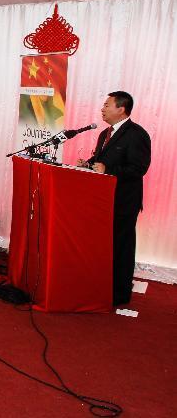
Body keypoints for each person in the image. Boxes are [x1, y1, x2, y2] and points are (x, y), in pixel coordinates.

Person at [79, 91, 151, 306]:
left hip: (124, 201)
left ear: (121, 109)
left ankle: (119, 294)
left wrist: (108, 169)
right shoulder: (105, 133)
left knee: (121, 246)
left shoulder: (137, 134)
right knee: (104, 245)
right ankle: (102, 284)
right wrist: (89, 163)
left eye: (106, 105)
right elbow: (101, 160)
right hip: (103, 201)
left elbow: (139, 168)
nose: (102, 108)